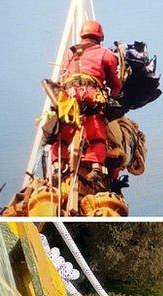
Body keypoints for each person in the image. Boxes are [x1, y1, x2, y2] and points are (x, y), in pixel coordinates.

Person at [52, 20, 123, 185]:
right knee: (96, 133)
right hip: (90, 96)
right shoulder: (106, 54)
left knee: (62, 133)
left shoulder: (70, 53)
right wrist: (115, 95)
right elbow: (114, 82)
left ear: (83, 35)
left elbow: (63, 75)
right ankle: (96, 167)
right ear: (100, 37)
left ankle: (57, 166)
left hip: (68, 97)